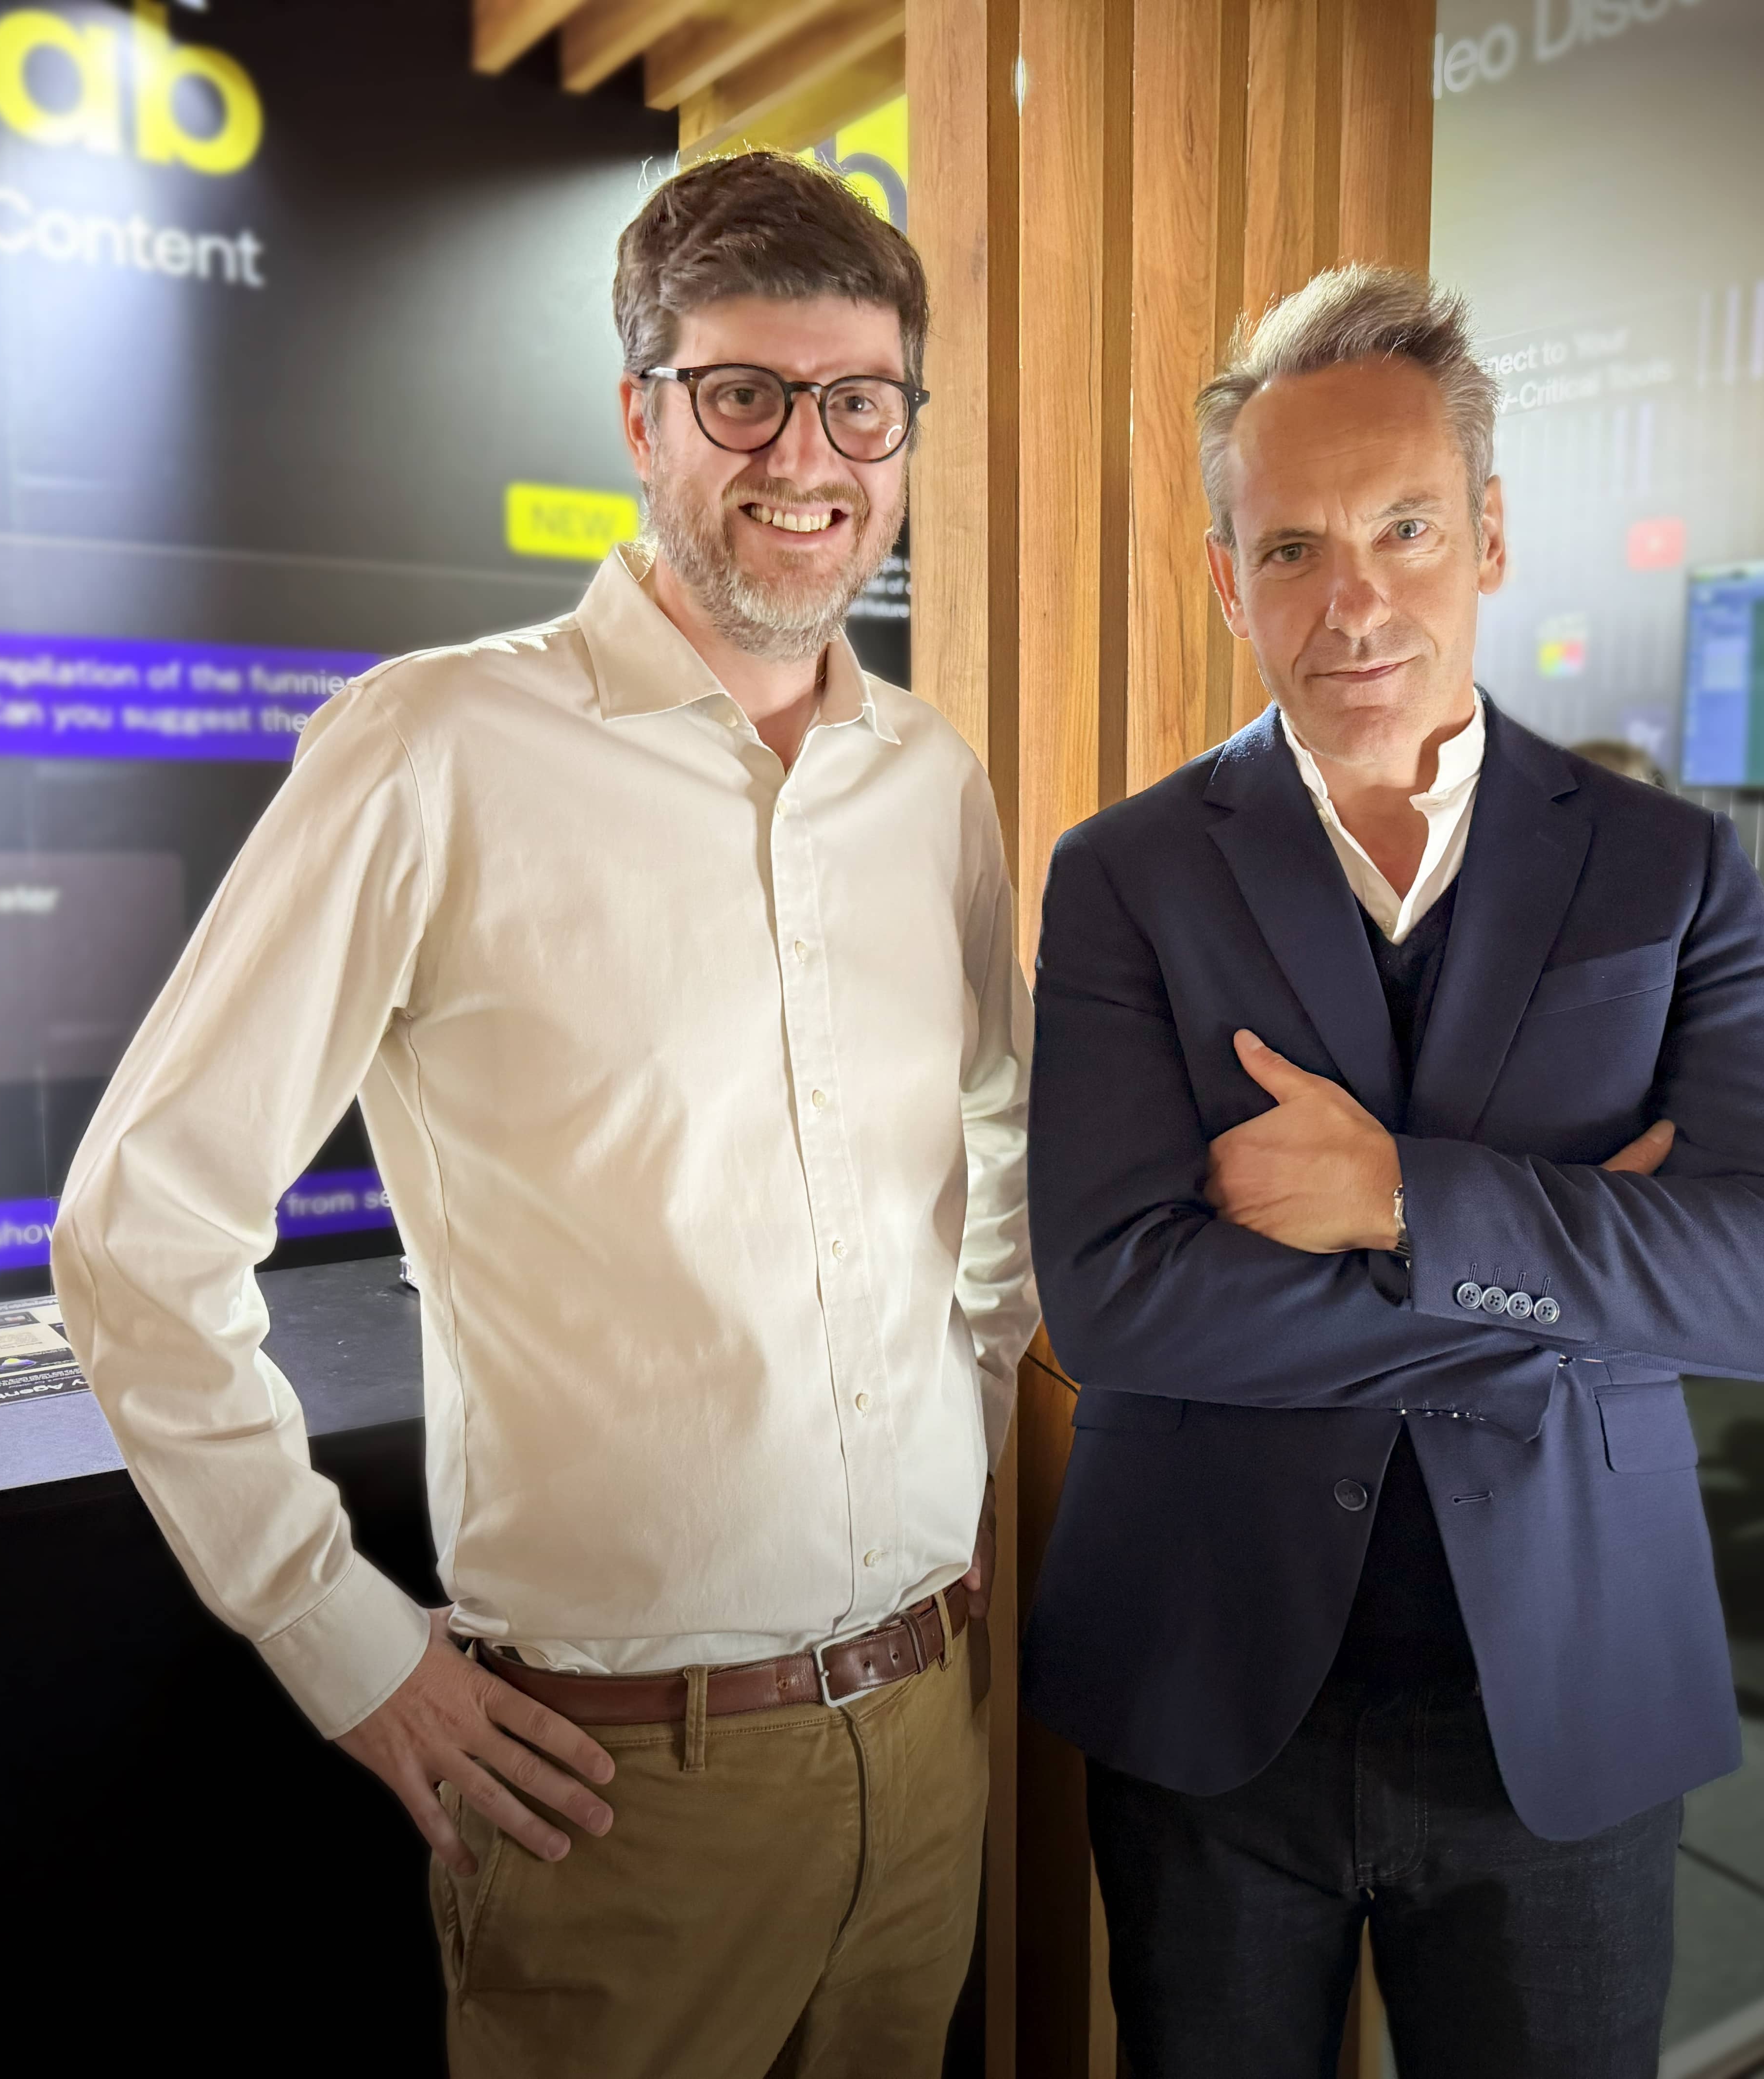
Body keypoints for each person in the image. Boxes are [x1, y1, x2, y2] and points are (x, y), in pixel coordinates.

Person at [52, 153, 1034, 2079]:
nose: (807, 453)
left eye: (862, 402)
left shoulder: (933, 779)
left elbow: (993, 1146)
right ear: (639, 417)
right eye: (742, 392)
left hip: (928, 1743)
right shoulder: (435, 748)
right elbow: (141, 1227)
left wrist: (974, 1434)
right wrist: (336, 1639)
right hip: (620, 1790)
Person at [1021, 264, 1764, 2079]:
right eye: (1291, 549)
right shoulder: (1127, 876)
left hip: (1572, 1679)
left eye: (1406, 528)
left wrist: (1407, 1202)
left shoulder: (1664, 868)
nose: (1353, 603)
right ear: (1223, 575)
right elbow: (1117, 1299)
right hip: (1208, 1682)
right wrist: (1581, 1274)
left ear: (1488, 533)